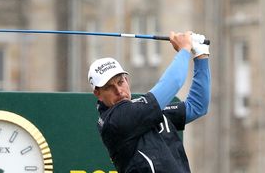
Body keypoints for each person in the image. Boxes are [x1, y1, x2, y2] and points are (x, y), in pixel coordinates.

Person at [88, 31, 210, 173]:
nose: (119, 91)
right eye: (109, 87)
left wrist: (201, 56)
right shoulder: (114, 120)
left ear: (127, 80)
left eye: (120, 82)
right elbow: (174, 81)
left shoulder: (142, 109)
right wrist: (184, 49)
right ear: (98, 94)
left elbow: (197, 106)